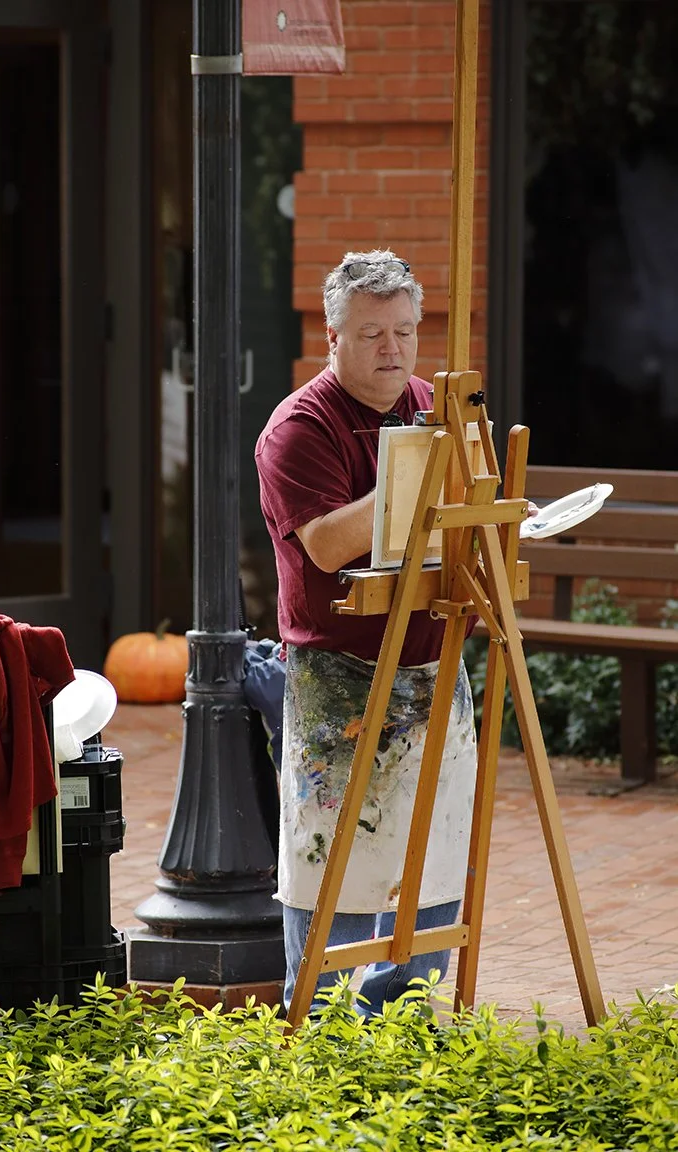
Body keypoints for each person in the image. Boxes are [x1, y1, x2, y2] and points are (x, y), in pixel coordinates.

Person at [255, 249, 478, 1015]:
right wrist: (409, 482)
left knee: (437, 856)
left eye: (407, 333)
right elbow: (323, 544)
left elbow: (465, 512)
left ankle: (397, 1016)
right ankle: (313, 1021)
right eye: (374, 333)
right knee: (332, 863)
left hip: (433, 659)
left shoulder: (432, 405)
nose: (394, 351)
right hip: (339, 672)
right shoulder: (300, 426)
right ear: (335, 336)